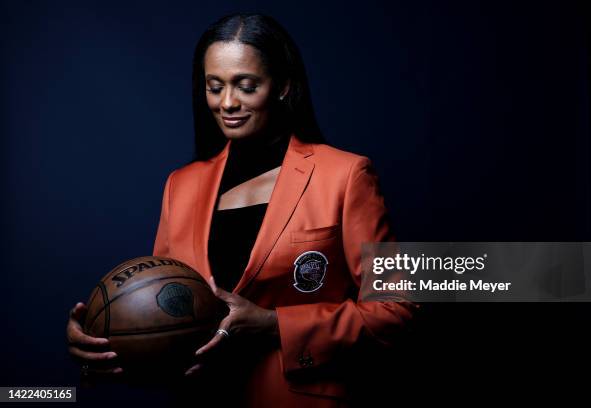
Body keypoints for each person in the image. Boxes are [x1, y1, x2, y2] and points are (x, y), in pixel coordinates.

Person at [66, 12, 417, 407]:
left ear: (283, 85)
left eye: (246, 86)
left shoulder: (346, 174)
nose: (227, 103)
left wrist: (274, 325)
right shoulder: (180, 185)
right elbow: (165, 311)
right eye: (215, 87)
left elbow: (397, 308)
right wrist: (100, 339)